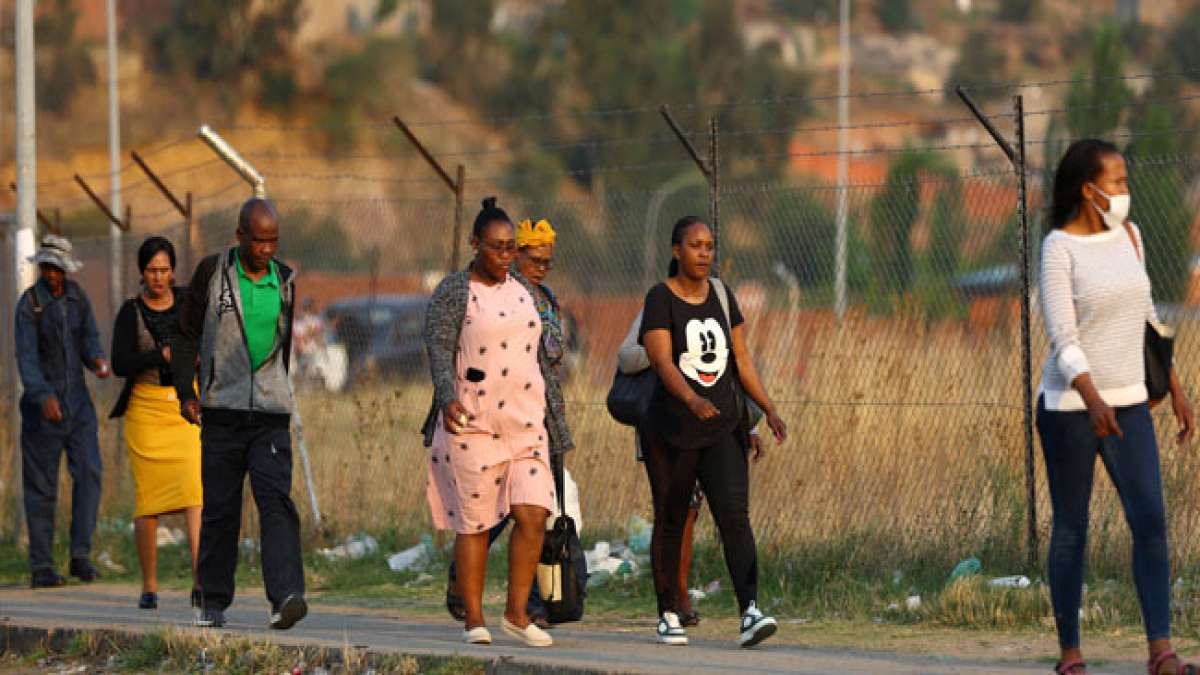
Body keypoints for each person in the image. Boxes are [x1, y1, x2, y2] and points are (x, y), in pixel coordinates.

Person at [1037, 139, 1197, 675]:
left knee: (1150, 519)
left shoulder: (1131, 236)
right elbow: (1063, 336)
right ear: (1089, 190)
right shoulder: (1058, 248)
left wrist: (1173, 384)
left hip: (1128, 403)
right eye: (1118, 182)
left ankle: (1161, 651)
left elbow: (1147, 316)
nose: (1126, 191)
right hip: (1069, 407)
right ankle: (1071, 654)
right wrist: (1090, 397)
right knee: (1072, 527)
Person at [422, 198, 574, 648]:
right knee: (477, 524)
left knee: (533, 512)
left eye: (511, 248)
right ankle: (473, 618)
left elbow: (541, 357)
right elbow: (438, 348)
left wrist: (556, 421)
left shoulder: (525, 291)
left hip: (526, 422)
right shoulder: (455, 291)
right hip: (473, 423)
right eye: (496, 247)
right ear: (475, 244)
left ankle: (516, 612)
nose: (505, 256)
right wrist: (448, 400)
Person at [639, 216, 786, 648]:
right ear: (676, 251)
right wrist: (691, 400)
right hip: (672, 429)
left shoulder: (722, 295)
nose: (704, 253)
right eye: (695, 245)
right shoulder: (659, 298)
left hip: (722, 427)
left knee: (735, 518)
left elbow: (741, 357)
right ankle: (668, 612)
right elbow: (662, 360)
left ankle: (750, 610)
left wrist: (768, 407)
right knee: (671, 518)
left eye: (709, 246)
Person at [172, 198, 307, 631]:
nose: (267, 249)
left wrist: (281, 393)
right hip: (221, 412)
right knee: (221, 510)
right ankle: (211, 599)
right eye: (259, 240)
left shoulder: (285, 280)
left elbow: (282, 347)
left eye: (273, 241)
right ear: (240, 235)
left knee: (276, 504)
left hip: (269, 413)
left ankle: (286, 596)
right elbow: (187, 332)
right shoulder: (214, 272)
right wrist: (186, 392)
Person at [618, 314, 766, 629]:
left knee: (699, 511)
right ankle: (673, 600)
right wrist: (663, 351)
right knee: (674, 513)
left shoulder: (719, 307)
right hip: (666, 431)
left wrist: (745, 426)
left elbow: (733, 371)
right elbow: (627, 357)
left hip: (715, 430)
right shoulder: (657, 305)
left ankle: (704, 598)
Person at [109, 236, 202, 610]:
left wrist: (192, 359)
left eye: (164, 270)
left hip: (184, 406)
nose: (159, 277)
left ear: (173, 270)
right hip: (146, 410)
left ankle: (201, 579)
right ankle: (149, 585)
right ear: (141, 272)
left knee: (195, 490)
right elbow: (120, 363)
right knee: (149, 501)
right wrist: (157, 355)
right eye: (152, 270)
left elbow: (205, 340)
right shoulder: (130, 312)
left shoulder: (187, 305)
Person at [14, 234, 111, 588]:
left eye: (59, 269)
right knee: (42, 487)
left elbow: (88, 339)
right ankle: (41, 565)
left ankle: (80, 556)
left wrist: (97, 360)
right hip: (43, 412)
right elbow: (26, 358)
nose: (53, 275)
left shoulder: (77, 298)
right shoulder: (29, 305)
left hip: (79, 405)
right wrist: (42, 397)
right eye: (49, 269)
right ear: (42, 268)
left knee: (89, 472)